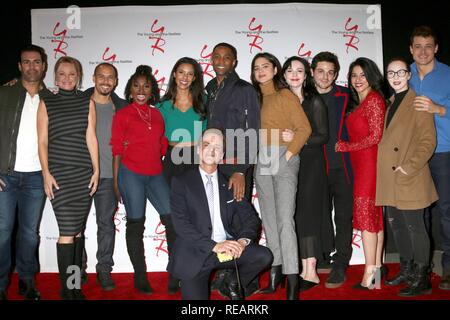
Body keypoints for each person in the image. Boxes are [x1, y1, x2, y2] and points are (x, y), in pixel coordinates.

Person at [168, 127, 273, 300]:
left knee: (263, 256)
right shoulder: (181, 182)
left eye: (217, 146)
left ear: (222, 154)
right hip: (196, 253)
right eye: (207, 144)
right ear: (199, 150)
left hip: (225, 253)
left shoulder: (230, 183)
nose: (212, 149)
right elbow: (181, 225)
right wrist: (214, 246)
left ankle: (230, 282)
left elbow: (251, 219)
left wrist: (241, 241)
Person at [37, 56, 99, 300]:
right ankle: (67, 290)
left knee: (77, 233)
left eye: (71, 74)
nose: (66, 78)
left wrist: (96, 170)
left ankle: (75, 285)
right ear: (55, 76)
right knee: (67, 231)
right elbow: (42, 141)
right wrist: (46, 173)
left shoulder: (87, 101)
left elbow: (90, 137)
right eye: (61, 74)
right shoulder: (47, 102)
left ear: (78, 76)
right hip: (59, 175)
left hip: (83, 173)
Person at [251, 52, 311, 300]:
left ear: (276, 69)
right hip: (261, 159)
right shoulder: (254, 99)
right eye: (256, 68)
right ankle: (275, 276)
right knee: (270, 220)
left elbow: (304, 129)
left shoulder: (285, 95)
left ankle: (293, 281)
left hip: (283, 158)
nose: (261, 71)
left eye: (266, 66)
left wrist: (288, 156)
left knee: (286, 221)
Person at [110, 65, 175, 295]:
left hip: (155, 173)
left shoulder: (157, 114)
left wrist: (162, 148)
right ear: (130, 90)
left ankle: (175, 272)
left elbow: (161, 143)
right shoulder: (122, 114)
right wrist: (117, 181)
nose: (141, 90)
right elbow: (116, 149)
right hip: (131, 174)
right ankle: (140, 276)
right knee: (136, 224)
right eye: (136, 85)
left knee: (173, 220)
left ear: (152, 91)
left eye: (146, 86)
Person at [376, 57, 438, 296]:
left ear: (409, 75)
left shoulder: (419, 102)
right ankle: (407, 269)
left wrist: (409, 167)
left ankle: (422, 278)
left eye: (400, 72)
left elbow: (428, 141)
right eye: (391, 73)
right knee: (398, 227)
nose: (395, 76)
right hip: (391, 177)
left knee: (415, 227)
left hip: (409, 175)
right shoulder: (390, 102)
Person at [205, 42, 261, 297]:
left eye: (227, 57)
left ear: (234, 62)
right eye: (216, 56)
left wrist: (241, 169)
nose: (220, 60)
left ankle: (245, 280)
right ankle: (228, 274)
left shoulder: (244, 89)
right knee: (223, 220)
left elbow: (253, 131)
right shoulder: (209, 89)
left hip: (236, 165)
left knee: (240, 220)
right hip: (215, 165)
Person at [0, 45, 51, 301]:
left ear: (44, 66)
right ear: (20, 66)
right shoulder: (4, 94)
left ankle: (27, 281)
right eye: (26, 62)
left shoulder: (52, 98)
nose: (32, 66)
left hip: (36, 177)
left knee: (30, 233)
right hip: (5, 176)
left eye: (37, 62)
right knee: (2, 232)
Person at [335, 57, 386, 289]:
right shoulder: (360, 101)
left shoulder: (374, 100)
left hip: (369, 165)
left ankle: (369, 275)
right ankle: (376, 271)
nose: (357, 80)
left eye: (362, 75)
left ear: (371, 76)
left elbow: (376, 137)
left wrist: (346, 146)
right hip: (361, 164)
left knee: (367, 220)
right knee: (374, 220)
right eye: (354, 75)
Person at [157, 57, 207, 294]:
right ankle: (175, 271)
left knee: (197, 219)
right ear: (174, 75)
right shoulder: (163, 106)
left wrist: (187, 143)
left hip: (197, 163)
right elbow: (160, 140)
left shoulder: (204, 103)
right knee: (174, 220)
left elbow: (208, 137)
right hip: (173, 164)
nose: (185, 77)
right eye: (181, 72)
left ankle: (195, 269)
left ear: (195, 77)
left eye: (190, 73)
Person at [281, 56, 330, 291]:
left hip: (310, 164)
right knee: (293, 215)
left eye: (299, 70)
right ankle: (298, 267)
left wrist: (300, 139)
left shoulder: (314, 101)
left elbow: (323, 135)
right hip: (287, 163)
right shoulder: (280, 101)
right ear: (283, 74)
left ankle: (311, 271)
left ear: (306, 74)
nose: (294, 74)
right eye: (290, 70)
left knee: (308, 214)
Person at [408, 26, 450, 291]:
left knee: (447, 211)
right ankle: (420, 267)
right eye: (418, 46)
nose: (423, 51)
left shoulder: (447, 74)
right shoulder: (402, 74)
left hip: (444, 151)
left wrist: (439, 109)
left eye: (428, 46)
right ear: (411, 49)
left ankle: (448, 268)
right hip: (413, 155)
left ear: (436, 48)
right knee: (418, 213)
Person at [81, 63, 127, 291]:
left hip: (109, 177)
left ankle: (104, 269)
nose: (106, 81)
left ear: (116, 81)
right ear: (93, 78)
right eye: (101, 76)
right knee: (76, 226)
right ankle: (77, 269)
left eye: (111, 77)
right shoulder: (78, 102)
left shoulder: (122, 107)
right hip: (80, 175)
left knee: (106, 225)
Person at [311, 51, 354, 288]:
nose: (325, 76)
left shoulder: (347, 95)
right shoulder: (304, 97)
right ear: (312, 72)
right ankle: (323, 256)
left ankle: (341, 264)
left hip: (343, 168)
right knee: (320, 217)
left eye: (330, 72)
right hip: (315, 169)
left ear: (336, 74)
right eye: (320, 71)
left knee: (344, 217)